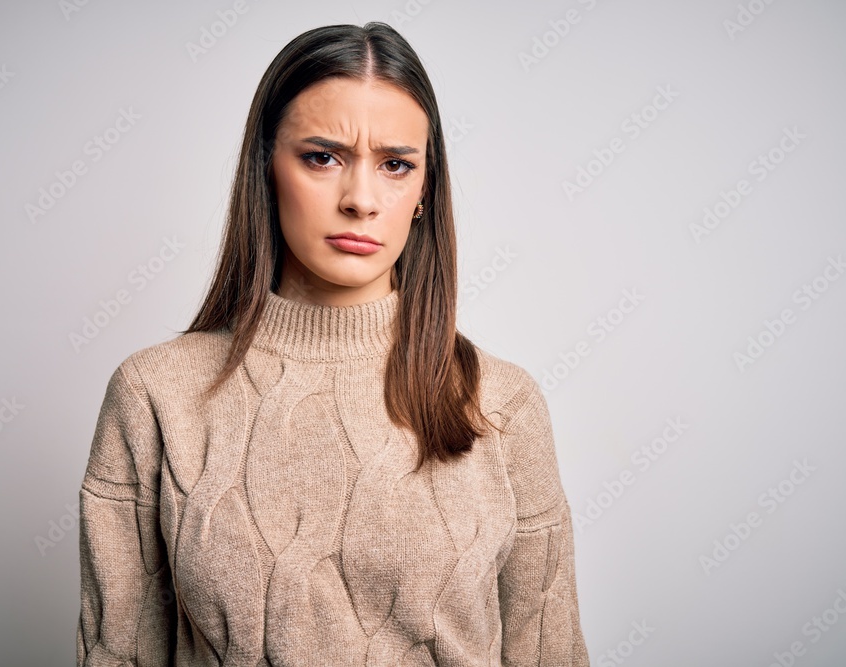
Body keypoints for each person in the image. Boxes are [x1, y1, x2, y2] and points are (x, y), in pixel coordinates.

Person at [76, 21, 589, 666]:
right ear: (265, 168)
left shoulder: (503, 405)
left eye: (397, 165)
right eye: (323, 157)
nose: (362, 200)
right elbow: (118, 654)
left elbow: (549, 654)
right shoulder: (154, 397)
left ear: (425, 190)